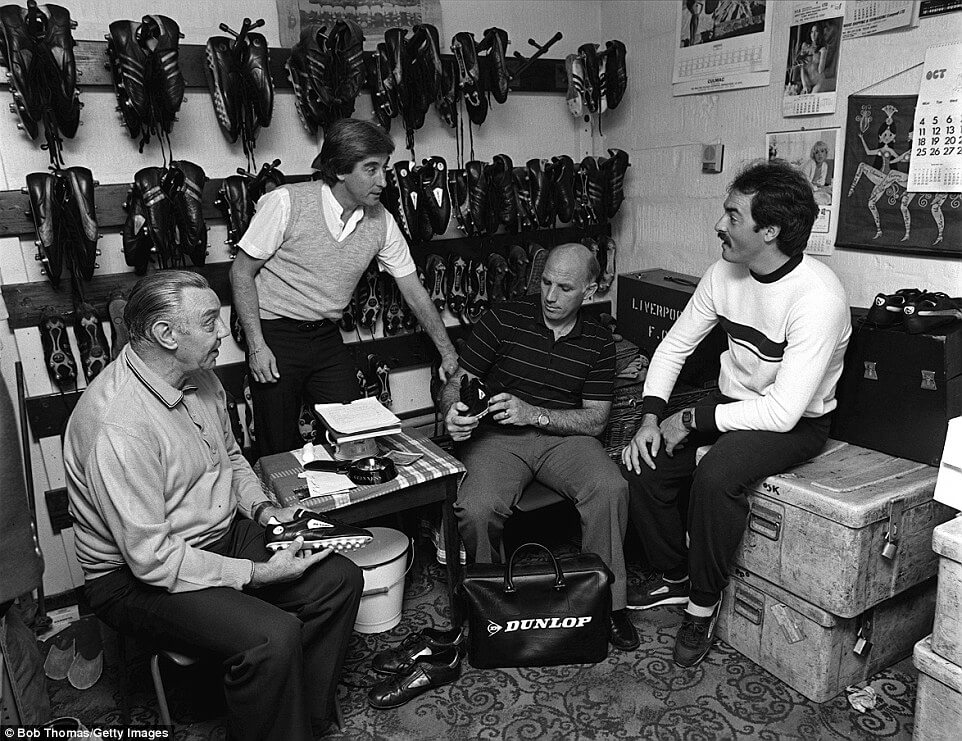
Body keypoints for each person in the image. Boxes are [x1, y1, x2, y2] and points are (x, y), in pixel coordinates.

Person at [63, 271, 363, 741]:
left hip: (216, 534)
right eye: (209, 322)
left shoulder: (200, 378)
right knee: (272, 635)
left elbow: (231, 459)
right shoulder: (117, 426)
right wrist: (257, 573)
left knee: (339, 579)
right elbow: (151, 559)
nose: (225, 331)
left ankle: (302, 721)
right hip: (132, 576)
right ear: (165, 335)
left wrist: (266, 512)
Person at [620, 161, 851, 668]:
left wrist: (693, 422)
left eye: (732, 215)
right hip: (732, 405)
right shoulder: (723, 272)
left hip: (796, 423)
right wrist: (652, 418)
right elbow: (675, 345)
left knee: (716, 474)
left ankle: (702, 606)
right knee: (643, 462)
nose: (719, 225)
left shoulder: (818, 298)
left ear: (768, 231)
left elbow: (784, 411)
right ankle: (674, 578)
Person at [441, 243, 638, 652]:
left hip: (563, 438)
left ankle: (610, 606)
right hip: (498, 438)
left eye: (565, 288)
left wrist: (535, 414)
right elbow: (458, 380)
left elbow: (597, 419)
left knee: (611, 488)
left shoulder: (598, 341)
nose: (550, 296)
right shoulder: (505, 318)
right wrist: (451, 413)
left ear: (591, 289)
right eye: (546, 282)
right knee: (476, 507)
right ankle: (488, 604)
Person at [231, 117, 458, 456]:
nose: (382, 180)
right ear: (339, 170)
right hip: (275, 334)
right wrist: (256, 346)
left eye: (384, 168)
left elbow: (413, 291)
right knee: (277, 445)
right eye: (371, 169)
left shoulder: (381, 219)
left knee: (358, 434)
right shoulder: (286, 203)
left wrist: (447, 351)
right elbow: (240, 273)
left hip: (325, 336)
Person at [801, 140, 832, 205]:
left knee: (828, 197)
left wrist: (819, 187)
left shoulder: (825, 165)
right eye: (817, 152)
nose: (820, 154)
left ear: (826, 154)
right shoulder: (809, 164)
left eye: (822, 151)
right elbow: (805, 181)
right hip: (804, 187)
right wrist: (816, 187)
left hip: (815, 188)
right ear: (813, 155)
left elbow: (822, 182)